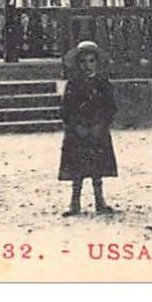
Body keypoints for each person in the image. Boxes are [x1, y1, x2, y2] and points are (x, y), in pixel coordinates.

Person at [58, 40, 118, 215]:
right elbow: (66, 109)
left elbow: (110, 107)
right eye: (83, 62)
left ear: (98, 63)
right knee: (77, 169)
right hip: (78, 133)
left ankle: (100, 201)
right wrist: (76, 126)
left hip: (97, 131)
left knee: (97, 168)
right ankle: (74, 202)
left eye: (91, 61)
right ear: (77, 64)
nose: (87, 66)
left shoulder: (103, 83)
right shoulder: (73, 84)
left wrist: (101, 124)